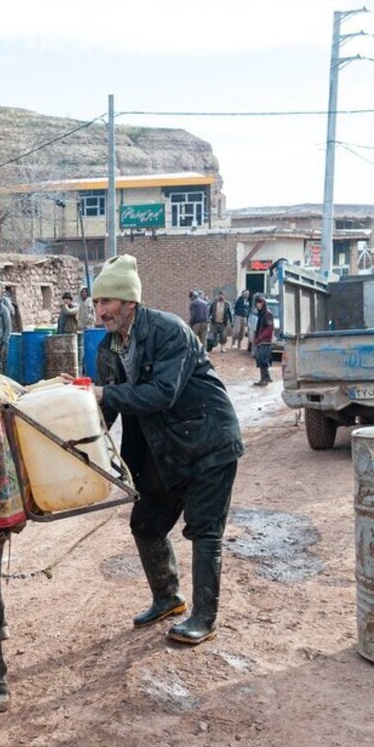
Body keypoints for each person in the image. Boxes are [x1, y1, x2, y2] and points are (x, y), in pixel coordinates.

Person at [87, 255, 243, 645]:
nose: (100, 310)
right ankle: (168, 597)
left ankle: (204, 617)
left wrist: (105, 392)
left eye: (106, 302)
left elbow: (162, 393)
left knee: (205, 530)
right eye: (96, 303)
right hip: (163, 450)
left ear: (129, 303)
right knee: (146, 524)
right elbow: (106, 409)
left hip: (208, 441)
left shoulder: (168, 331)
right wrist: (76, 431)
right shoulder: (108, 350)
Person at [251, 294, 275, 386]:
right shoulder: (261, 314)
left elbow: (269, 329)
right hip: (260, 340)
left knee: (262, 359)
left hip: (265, 341)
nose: (258, 305)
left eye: (260, 302)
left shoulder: (267, 314)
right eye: (257, 303)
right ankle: (265, 377)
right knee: (260, 359)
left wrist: (260, 337)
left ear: (263, 303)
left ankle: (265, 379)